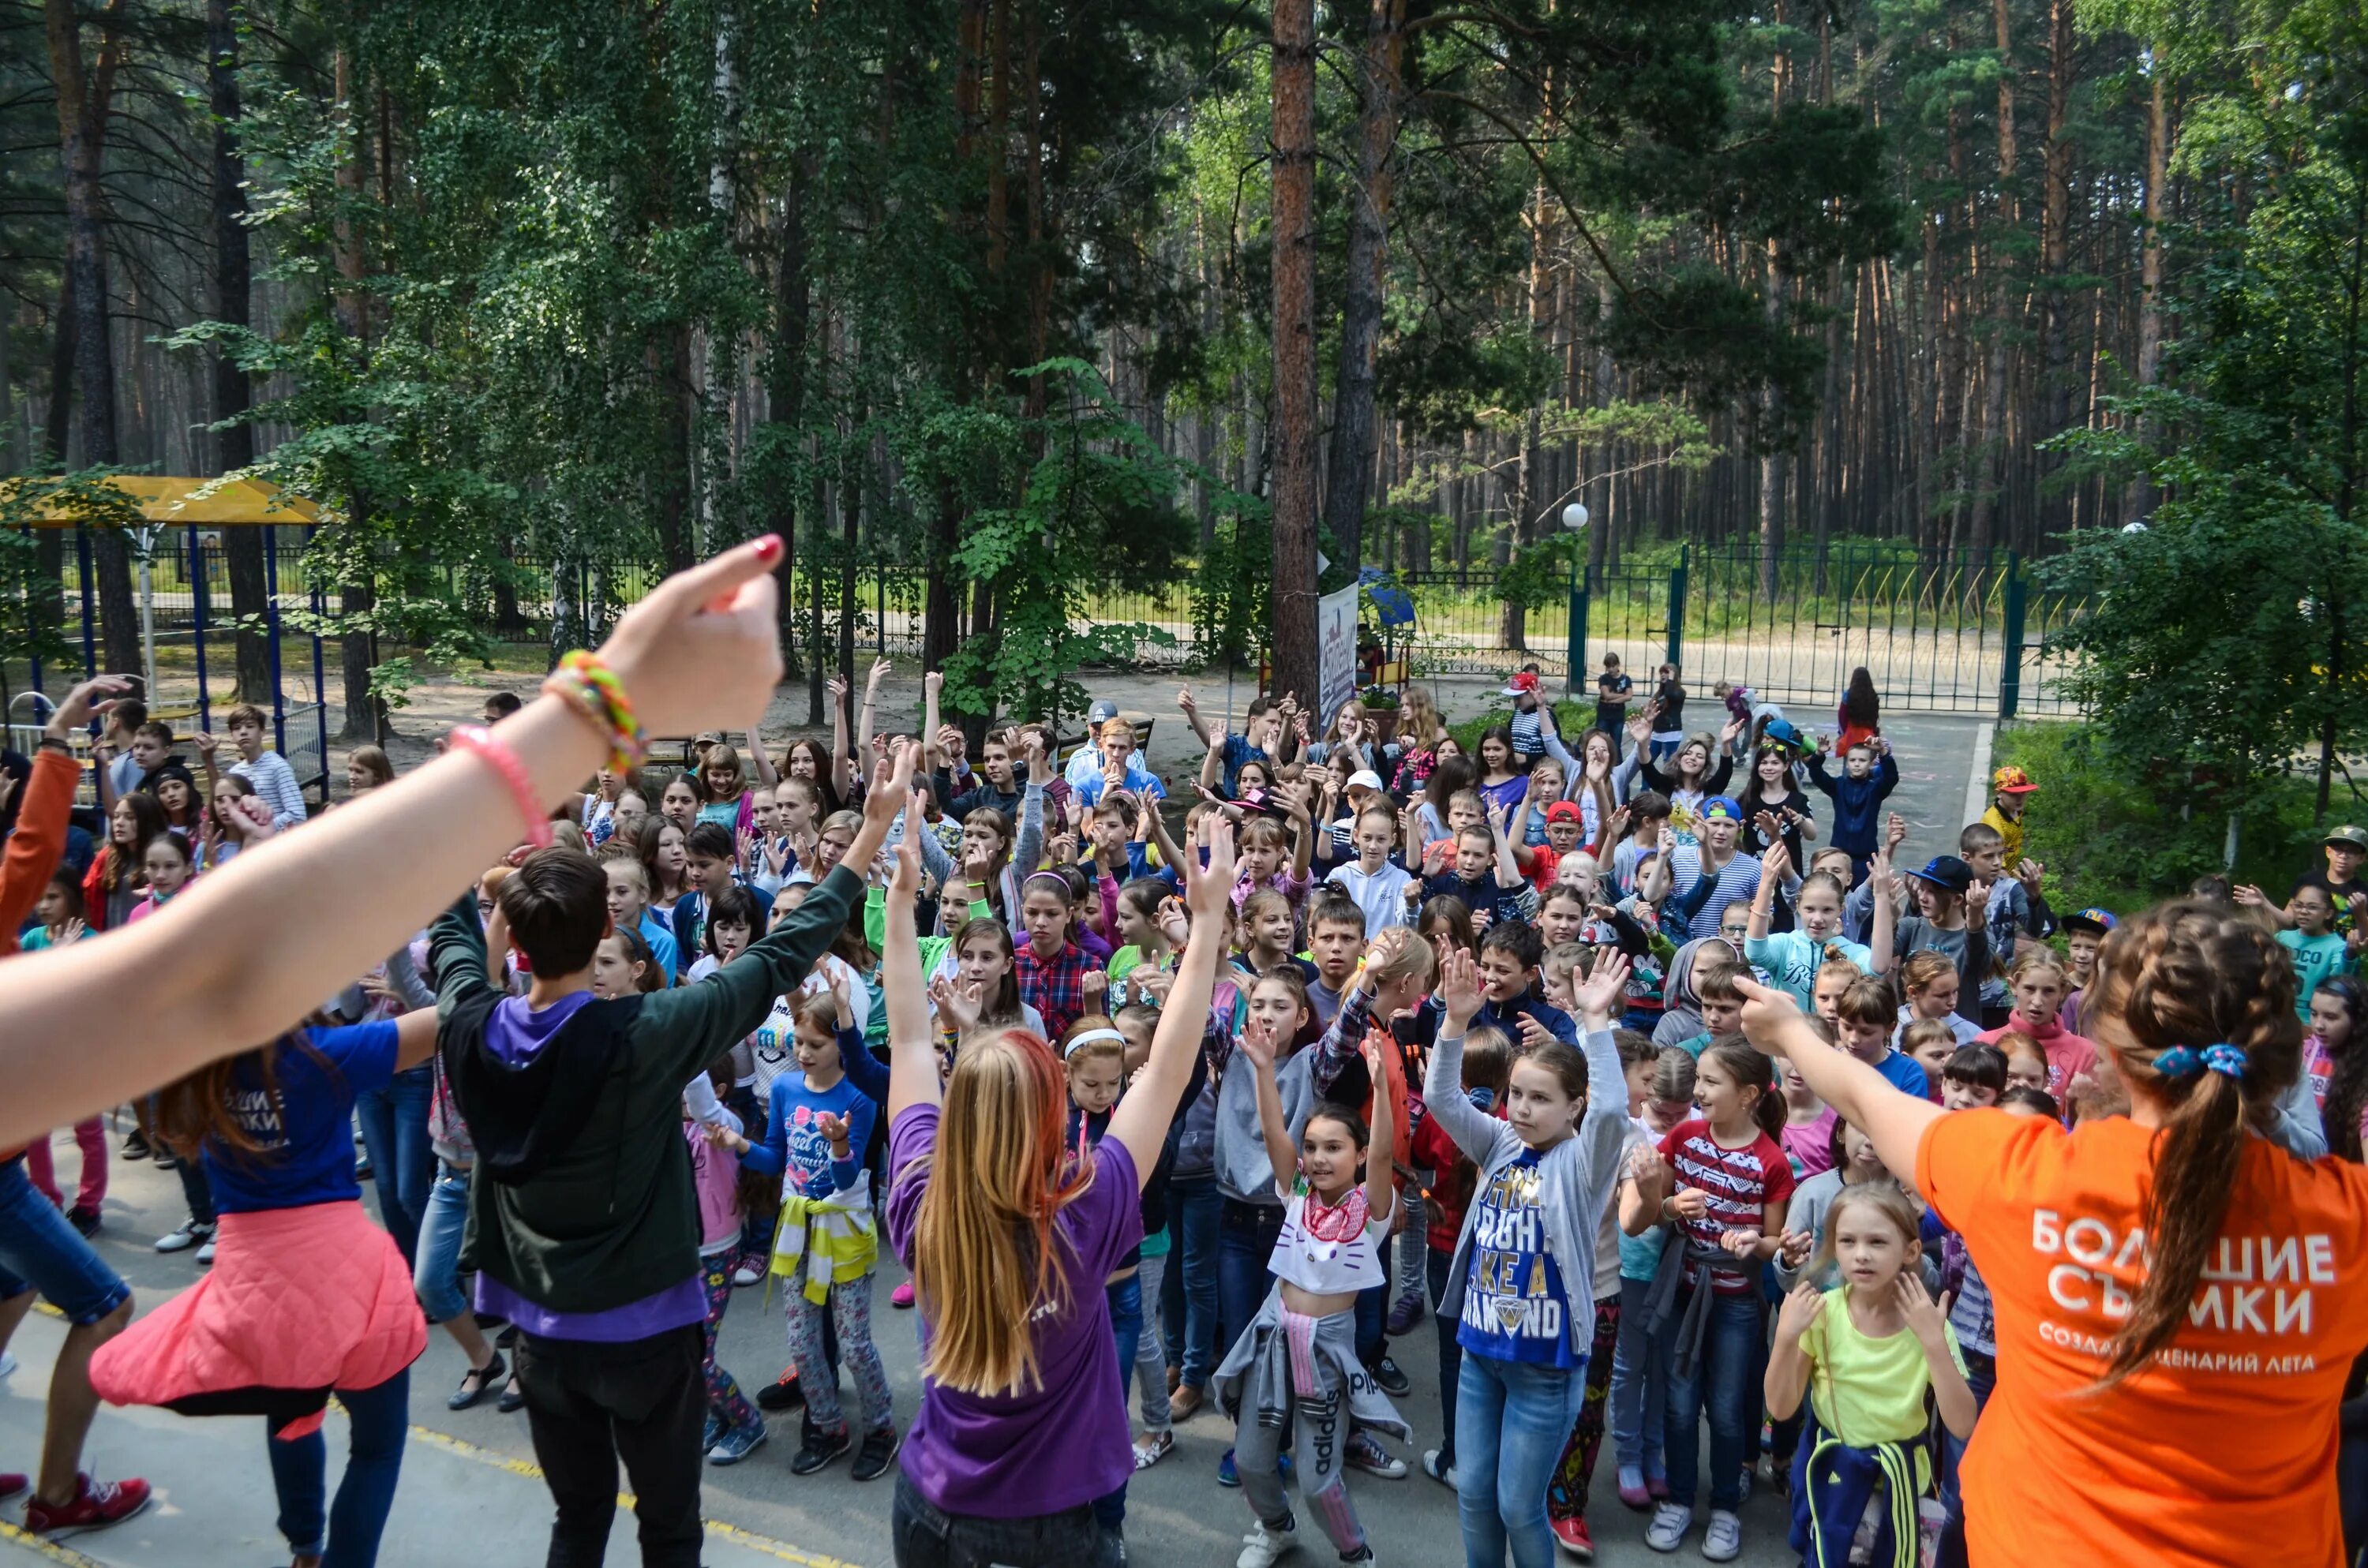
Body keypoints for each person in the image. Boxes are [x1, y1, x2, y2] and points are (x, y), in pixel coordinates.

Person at [1733, 902, 2368, 1566]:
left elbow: (1871, 1103)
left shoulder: (2027, 1177)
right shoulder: (2346, 1220)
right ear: (2289, 1053)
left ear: (2113, 1049)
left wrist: (1788, 1031)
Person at [424, 737, 909, 1568]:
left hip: (541, 1334)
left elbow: (454, 949)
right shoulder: (646, 1033)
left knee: (576, 1523)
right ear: (606, 927)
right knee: (670, 1530)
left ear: (518, 942)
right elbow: (780, 955)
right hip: (647, 1329)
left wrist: (465, 851)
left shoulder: (470, 1026)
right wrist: (868, 835)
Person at [880, 796, 1231, 1567]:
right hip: (1047, 1524)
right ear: (1054, 1114)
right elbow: (1167, 1072)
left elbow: (908, 1034)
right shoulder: (1089, 1207)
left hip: (929, 1505)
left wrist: (901, 906)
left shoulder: (921, 1200)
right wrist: (1206, 932)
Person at [90, 1009, 440, 1568]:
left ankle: (304, 1548)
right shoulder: (327, 1053)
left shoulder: (193, 1065)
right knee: (376, 1448)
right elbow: (452, 1014)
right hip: (352, 1276)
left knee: (291, 1410)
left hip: (254, 1278)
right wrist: (483, 942)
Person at [1424, 946, 1632, 1568]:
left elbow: (1615, 1111)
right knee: (1475, 1497)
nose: (1522, 1107)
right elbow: (1442, 1099)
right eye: (1516, 1093)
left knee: (1520, 1506)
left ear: (1575, 1106)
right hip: (1480, 1354)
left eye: (1541, 1098)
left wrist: (1595, 1022)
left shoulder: (1583, 1160)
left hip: (1545, 1368)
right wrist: (1455, 1024)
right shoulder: (1500, 1142)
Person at [1223, 1016, 1406, 1568]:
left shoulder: (1370, 1211)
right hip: (1274, 1333)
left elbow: (1381, 1156)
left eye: (1335, 1147)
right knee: (1253, 1459)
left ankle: (1354, 1550)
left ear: (1356, 1154)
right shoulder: (1297, 1193)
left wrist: (1379, 1086)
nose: (1321, 1157)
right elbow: (1275, 1133)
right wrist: (1261, 1068)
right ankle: (1274, 1527)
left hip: (1327, 1349)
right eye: (1314, 1147)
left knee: (1318, 1476)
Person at [1632, 1038, 1795, 1561]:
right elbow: (1654, 1209)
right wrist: (1671, 1203)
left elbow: (1773, 1243)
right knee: (1679, 1406)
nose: (1696, 1090)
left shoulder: (1771, 1160)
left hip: (1735, 1302)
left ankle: (1724, 1507)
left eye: (1709, 1082)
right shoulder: (1684, 1136)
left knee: (1725, 1410)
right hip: (1680, 1289)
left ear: (1748, 1094)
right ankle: (1680, 1499)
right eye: (1698, 1079)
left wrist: (1756, 1243)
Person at [1763, 1184, 1975, 1568]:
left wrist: (1933, 1342)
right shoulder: (1823, 1314)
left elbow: (1962, 1423)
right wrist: (1785, 1337)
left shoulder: (1925, 1322)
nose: (1861, 1254)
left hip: (1903, 1488)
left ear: (1910, 1251)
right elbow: (1781, 1408)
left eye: (1878, 1241)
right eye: (1847, 1241)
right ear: (1834, 1249)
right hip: (1835, 1481)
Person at [1980, 765, 2037, 867]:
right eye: (2013, 794)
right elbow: (1997, 864)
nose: (2020, 799)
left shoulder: (2015, 810)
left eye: (2023, 793)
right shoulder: (1994, 822)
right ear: (1999, 793)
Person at [1835, 668, 1880, 757]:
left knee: (1851, 763)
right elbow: (1875, 718)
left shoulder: (1848, 696)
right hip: (1868, 735)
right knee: (1867, 761)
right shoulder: (1873, 696)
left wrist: (1842, 735)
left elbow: (1842, 718)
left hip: (1851, 735)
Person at [1594, 653, 1633, 739]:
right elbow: (1607, 695)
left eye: (1613, 666)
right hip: (1604, 714)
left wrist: (1612, 700)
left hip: (1618, 715)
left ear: (1618, 665)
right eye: (1608, 667)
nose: (1610, 669)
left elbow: (1629, 696)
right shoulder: (1603, 679)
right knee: (1601, 738)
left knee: (1616, 743)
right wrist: (1622, 695)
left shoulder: (1626, 679)